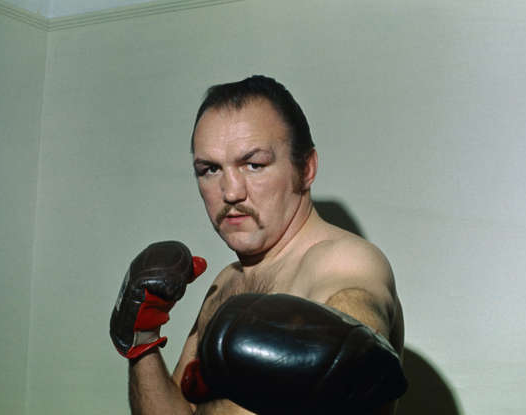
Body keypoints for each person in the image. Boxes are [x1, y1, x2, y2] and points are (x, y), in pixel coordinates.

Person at [110, 75, 407, 415]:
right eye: (210, 169)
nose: (231, 192)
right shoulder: (226, 283)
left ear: (306, 168)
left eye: (254, 165)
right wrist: (143, 342)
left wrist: (341, 354)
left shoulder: (345, 262)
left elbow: (359, 352)